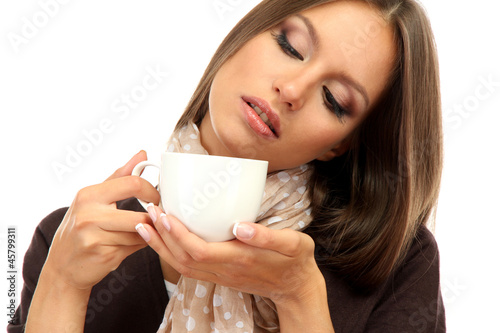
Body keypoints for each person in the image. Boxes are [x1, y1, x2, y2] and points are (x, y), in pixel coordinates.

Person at [8, 0, 445, 332]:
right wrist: (63, 282)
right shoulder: (70, 238)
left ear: (340, 146)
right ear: (243, 35)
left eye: (334, 99)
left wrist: (299, 298)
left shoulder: (399, 265)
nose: (291, 89)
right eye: (290, 46)